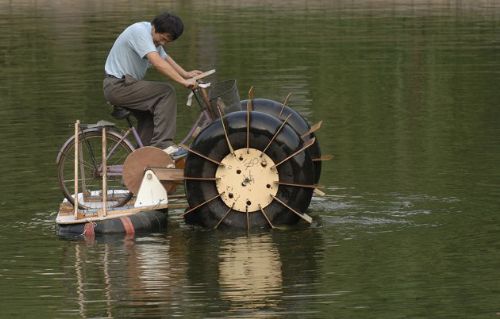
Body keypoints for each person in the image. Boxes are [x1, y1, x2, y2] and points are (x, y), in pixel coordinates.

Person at [103, 12, 201, 157]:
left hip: (125, 85)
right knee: (166, 92)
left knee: (151, 117)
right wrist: (183, 82)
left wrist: (186, 74)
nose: (162, 43)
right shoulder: (140, 32)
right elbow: (157, 62)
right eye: (162, 39)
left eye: (167, 41)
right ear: (154, 28)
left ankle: (142, 160)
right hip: (118, 86)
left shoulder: (153, 37)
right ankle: (163, 145)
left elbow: (165, 57)